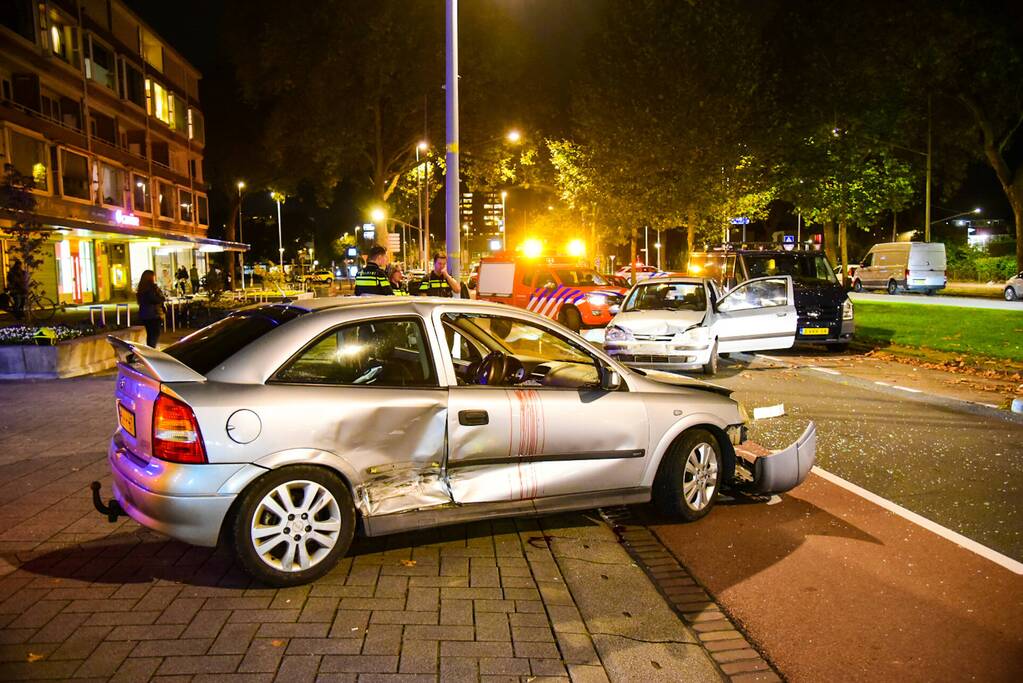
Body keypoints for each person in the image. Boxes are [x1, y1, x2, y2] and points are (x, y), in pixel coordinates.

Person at [136, 269, 166, 347]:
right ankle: (151, 351)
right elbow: (155, 299)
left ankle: (150, 349)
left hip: (145, 314)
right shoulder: (152, 288)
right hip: (154, 314)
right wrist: (162, 298)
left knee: (150, 334)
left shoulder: (141, 288)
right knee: (155, 333)